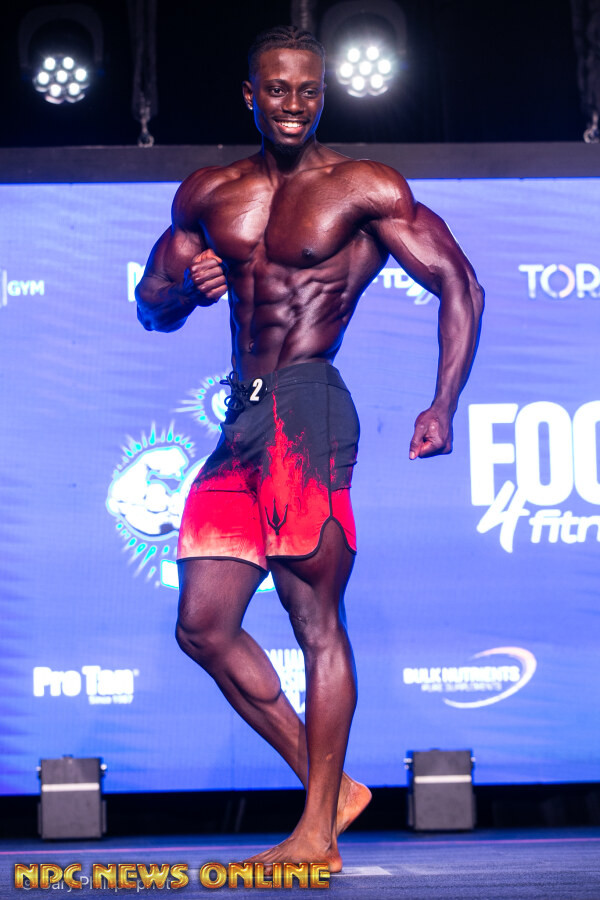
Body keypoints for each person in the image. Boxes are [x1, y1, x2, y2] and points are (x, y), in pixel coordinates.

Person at [136, 25, 484, 872]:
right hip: (240, 419)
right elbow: (151, 304)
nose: (294, 104)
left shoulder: (363, 187)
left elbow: (459, 282)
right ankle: (333, 791)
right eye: (277, 89)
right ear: (249, 96)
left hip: (307, 406)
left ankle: (315, 833)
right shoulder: (208, 194)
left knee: (314, 621)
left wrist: (443, 403)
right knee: (203, 627)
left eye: (308, 90)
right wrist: (187, 292)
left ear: (321, 96)